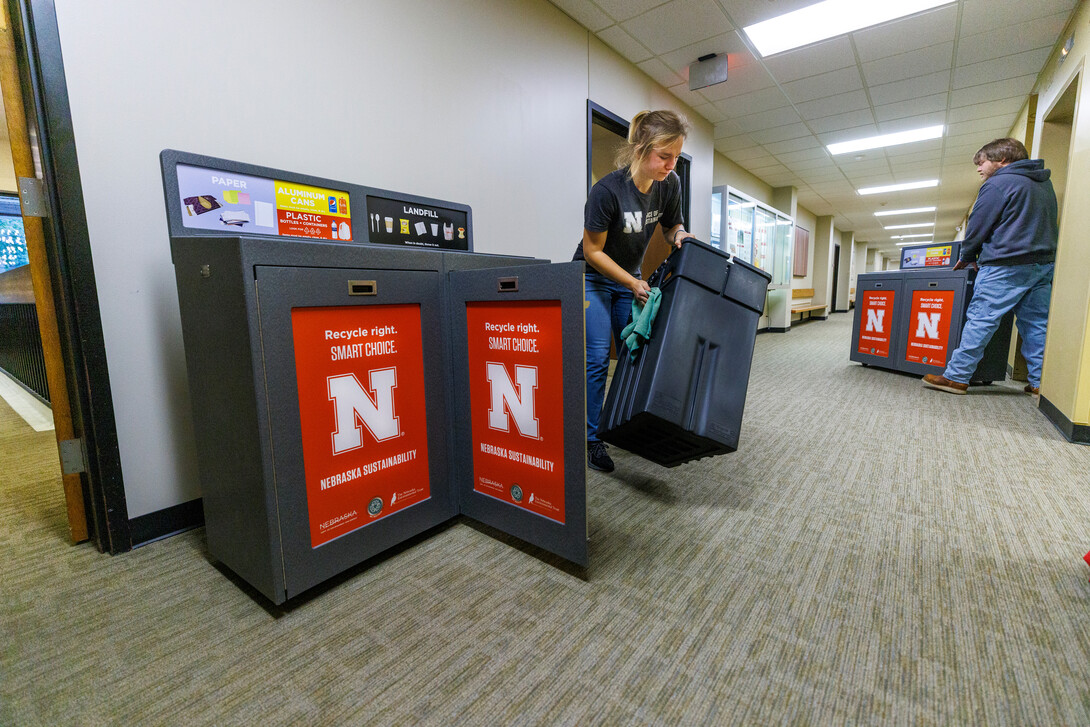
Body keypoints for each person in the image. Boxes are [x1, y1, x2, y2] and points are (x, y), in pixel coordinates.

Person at [574, 110, 692, 471]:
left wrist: (681, 236)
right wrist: (630, 281)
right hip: (592, 279)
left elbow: (673, 226)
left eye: (676, 156)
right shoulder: (607, 191)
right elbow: (592, 252)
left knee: (633, 353)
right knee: (597, 360)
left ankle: (624, 424)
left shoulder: (669, 184)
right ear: (640, 149)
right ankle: (592, 440)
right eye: (664, 156)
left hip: (631, 279)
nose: (671, 165)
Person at [922, 137, 1058, 396]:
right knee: (1036, 325)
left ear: (1002, 160)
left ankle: (956, 377)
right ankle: (1040, 382)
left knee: (981, 320)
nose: (978, 169)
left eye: (982, 162)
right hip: (1041, 265)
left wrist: (968, 254)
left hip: (1004, 265)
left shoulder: (998, 184)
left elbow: (978, 224)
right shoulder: (1044, 184)